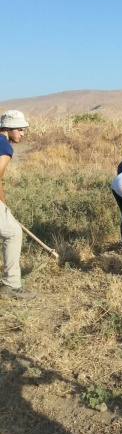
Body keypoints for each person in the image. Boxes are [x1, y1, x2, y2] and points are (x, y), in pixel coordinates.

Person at [0, 110, 36, 300]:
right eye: (20, 130)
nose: (22, 134)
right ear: (8, 129)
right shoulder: (4, 146)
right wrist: (3, 206)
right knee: (13, 232)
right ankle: (11, 285)